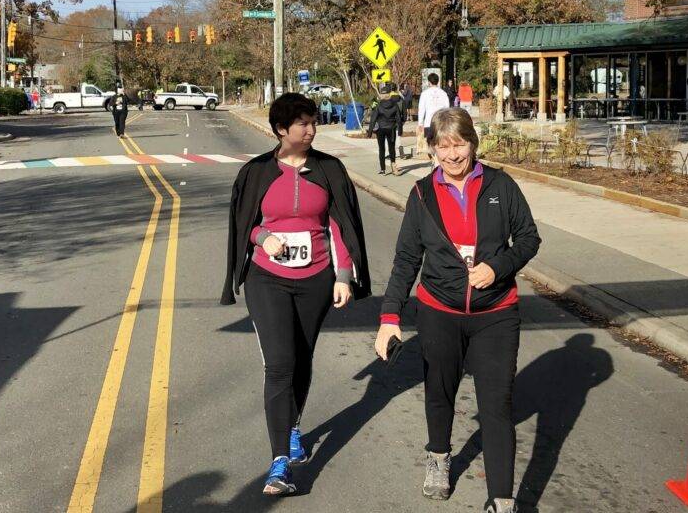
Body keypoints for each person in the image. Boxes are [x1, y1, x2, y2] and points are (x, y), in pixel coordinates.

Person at [373, 108, 540, 511]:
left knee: (497, 405)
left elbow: (529, 239)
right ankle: (438, 457)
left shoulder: (500, 185)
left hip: (496, 313)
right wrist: (389, 318)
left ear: (473, 144)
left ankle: (501, 499)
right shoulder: (421, 194)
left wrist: (498, 267)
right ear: (432, 149)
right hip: (439, 311)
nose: (452, 155)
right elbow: (406, 260)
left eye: (459, 144)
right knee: (440, 391)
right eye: (443, 146)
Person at [223, 93, 371, 496]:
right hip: (266, 278)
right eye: (302, 123)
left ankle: (292, 427)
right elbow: (245, 225)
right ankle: (279, 462)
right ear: (280, 130)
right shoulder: (256, 172)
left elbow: (340, 224)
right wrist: (264, 237)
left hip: (316, 279)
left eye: (312, 121)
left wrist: (343, 276)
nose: (311, 129)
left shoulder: (329, 170)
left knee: (302, 359)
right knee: (280, 362)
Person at [368, 83, 404, 175]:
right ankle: (393, 168)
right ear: (389, 94)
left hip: (380, 129)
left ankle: (383, 169)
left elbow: (373, 119)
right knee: (392, 149)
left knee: (382, 149)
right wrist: (400, 131)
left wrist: (370, 132)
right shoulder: (395, 105)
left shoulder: (378, 106)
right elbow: (399, 119)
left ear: (382, 95)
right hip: (391, 129)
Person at [417, 73, 450, 146]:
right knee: (440, 144)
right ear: (438, 81)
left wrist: (420, 123)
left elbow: (421, 109)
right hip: (441, 123)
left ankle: (433, 156)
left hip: (429, 122)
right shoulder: (443, 93)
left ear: (429, 82)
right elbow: (447, 108)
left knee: (430, 144)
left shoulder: (424, 94)